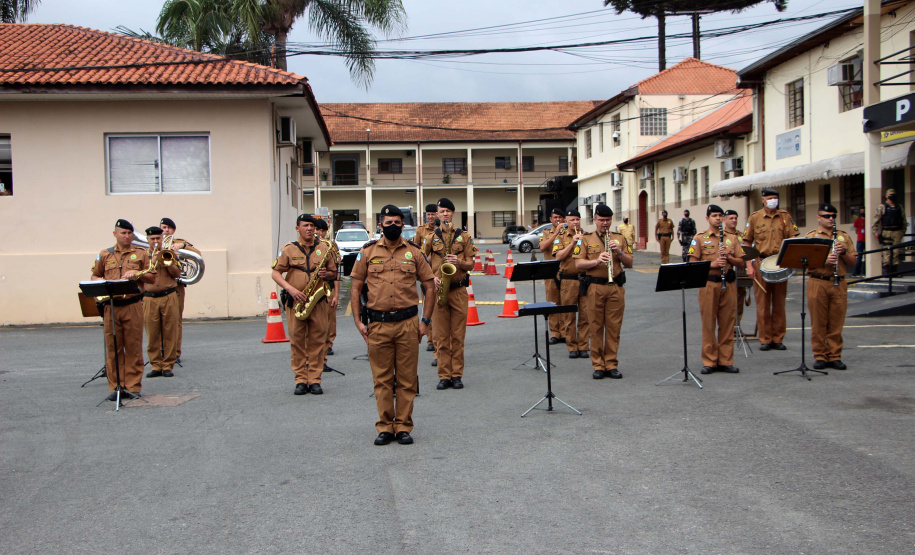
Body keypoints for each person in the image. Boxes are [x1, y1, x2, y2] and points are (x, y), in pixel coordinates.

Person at [351, 205, 435, 445]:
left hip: (408, 324)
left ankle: (403, 426)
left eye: (397, 222)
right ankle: (385, 427)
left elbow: (429, 287)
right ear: (380, 225)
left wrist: (425, 322)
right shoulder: (367, 252)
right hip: (378, 324)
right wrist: (358, 321)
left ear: (403, 225)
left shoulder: (414, 252)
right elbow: (356, 287)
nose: (393, 226)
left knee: (407, 380)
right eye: (388, 223)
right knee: (382, 379)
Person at [271, 214, 338, 396]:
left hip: (318, 302)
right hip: (296, 302)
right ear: (297, 228)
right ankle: (300, 379)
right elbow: (276, 273)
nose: (310, 228)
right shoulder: (288, 249)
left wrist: (327, 274)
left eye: (312, 226)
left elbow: (334, 273)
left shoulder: (324, 248)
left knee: (318, 341)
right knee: (297, 341)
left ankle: (315, 380)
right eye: (305, 225)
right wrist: (290, 289)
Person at [90, 219, 155, 401]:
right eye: (123, 233)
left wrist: (137, 274)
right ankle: (116, 386)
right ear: (115, 234)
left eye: (129, 233)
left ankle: (133, 386)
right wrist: (101, 283)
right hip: (111, 306)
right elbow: (95, 274)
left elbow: (152, 277)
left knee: (133, 346)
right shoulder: (105, 254)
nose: (126, 236)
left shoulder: (142, 253)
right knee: (113, 348)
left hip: (132, 304)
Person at [422, 198, 477, 389]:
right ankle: (444, 376)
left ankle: (457, 375)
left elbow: (472, 263)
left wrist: (460, 262)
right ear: (437, 214)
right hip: (439, 291)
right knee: (440, 336)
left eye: (448, 211)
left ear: (453, 213)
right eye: (441, 211)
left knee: (458, 336)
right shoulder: (431, 237)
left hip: (459, 290)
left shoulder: (464, 236)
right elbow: (421, 262)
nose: (445, 214)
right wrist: (431, 277)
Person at [574, 204, 633, 379]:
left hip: (615, 287)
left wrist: (619, 252)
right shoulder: (585, 239)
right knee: (595, 326)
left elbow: (630, 263)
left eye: (607, 220)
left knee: (614, 328)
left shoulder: (620, 238)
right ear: (595, 220)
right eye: (601, 220)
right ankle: (598, 365)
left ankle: (611, 363)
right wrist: (596, 261)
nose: (605, 224)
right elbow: (578, 264)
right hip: (595, 287)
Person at [688, 205, 745, 374]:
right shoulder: (699, 238)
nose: (718, 218)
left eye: (720, 215)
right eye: (714, 215)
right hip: (709, 284)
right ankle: (709, 361)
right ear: (707, 218)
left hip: (728, 283)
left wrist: (729, 257)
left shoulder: (732, 238)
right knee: (709, 323)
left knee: (727, 323)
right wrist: (712, 264)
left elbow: (741, 262)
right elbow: (692, 263)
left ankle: (726, 360)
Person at [742, 188, 799, 351]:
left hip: (780, 262)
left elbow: (792, 238)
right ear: (763, 200)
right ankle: (765, 338)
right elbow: (747, 242)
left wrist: (791, 259)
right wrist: (749, 265)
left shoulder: (784, 217)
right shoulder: (755, 217)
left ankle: (778, 337)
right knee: (763, 303)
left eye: (776, 198)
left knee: (779, 302)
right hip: (761, 262)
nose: (774, 201)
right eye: (770, 198)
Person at [806, 204, 857, 370]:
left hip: (838, 282)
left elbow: (853, 262)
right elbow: (804, 262)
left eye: (833, 216)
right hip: (818, 281)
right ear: (818, 217)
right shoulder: (811, 237)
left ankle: (835, 356)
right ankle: (820, 355)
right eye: (827, 216)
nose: (831, 219)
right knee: (819, 322)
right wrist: (824, 260)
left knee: (836, 322)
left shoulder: (842, 236)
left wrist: (843, 253)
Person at [142, 227, 182, 379]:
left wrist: (168, 262)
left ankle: (168, 365)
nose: (155, 241)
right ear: (148, 240)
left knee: (170, 332)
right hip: (150, 297)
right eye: (152, 239)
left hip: (169, 295)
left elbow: (177, 274)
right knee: (152, 333)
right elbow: (139, 276)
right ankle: (156, 365)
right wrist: (152, 262)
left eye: (158, 238)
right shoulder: (142, 255)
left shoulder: (170, 253)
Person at [159, 217, 201, 362]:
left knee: (175, 319)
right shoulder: (155, 243)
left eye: (168, 228)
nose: (165, 230)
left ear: (173, 230)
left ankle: (175, 352)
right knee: (158, 321)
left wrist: (182, 246)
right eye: (163, 227)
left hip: (176, 285)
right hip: (159, 285)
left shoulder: (180, 242)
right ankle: (160, 353)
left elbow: (197, 253)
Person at [554, 209, 589, 358]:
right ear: (566, 222)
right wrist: (573, 242)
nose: (575, 222)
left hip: (585, 279)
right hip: (568, 280)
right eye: (572, 220)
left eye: (577, 219)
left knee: (585, 315)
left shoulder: (587, 236)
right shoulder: (560, 237)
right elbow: (558, 257)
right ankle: (572, 346)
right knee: (569, 316)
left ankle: (583, 346)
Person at [315, 218, 341, 370]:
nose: (319, 233)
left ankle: (328, 344)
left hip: (327, 288)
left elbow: (337, 272)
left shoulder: (331, 246)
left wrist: (336, 295)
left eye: (321, 230)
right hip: (312, 291)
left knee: (329, 321)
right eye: (316, 230)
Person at [539, 208, 566, 344]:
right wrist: (555, 233)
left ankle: (566, 331)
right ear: (550, 219)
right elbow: (542, 247)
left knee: (566, 302)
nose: (558, 220)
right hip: (551, 273)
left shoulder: (569, 233)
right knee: (553, 302)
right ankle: (555, 332)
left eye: (560, 217)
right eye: (555, 217)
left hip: (566, 273)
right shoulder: (545, 233)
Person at [415, 203, 440, 352]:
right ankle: (430, 340)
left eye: (433, 214)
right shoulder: (420, 230)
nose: (431, 217)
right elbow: (415, 250)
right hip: (426, 276)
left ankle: (439, 338)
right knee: (428, 306)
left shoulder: (441, 229)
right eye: (428, 214)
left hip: (440, 273)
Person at [724, 209, 750, 324]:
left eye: (735, 218)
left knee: (740, 299)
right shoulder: (722, 236)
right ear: (725, 220)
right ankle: (728, 326)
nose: (734, 220)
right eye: (731, 218)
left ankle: (737, 326)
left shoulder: (741, 236)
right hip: (728, 273)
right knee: (728, 302)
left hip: (741, 272)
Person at [872, 188, 908, 271]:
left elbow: (903, 220)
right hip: (887, 232)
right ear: (886, 196)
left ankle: (894, 270)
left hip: (897, 231)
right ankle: (886, 269)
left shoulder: (899, 207)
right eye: (890, 195)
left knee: (896, 252)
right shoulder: (882, 207)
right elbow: (876, 220)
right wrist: (875, 231)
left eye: (893, 194)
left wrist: (903, 231)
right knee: (886, 251)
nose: (892, 196)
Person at [852, 208, 867, 276]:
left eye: (863, 211)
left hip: (866, 240)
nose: (862, 213)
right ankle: (857, 271)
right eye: (861, 212)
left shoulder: (867, 220)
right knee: (859, 257)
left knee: (867, 256)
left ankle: (865, 271)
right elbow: (856, 230)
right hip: (860, 240)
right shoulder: (858, 220)